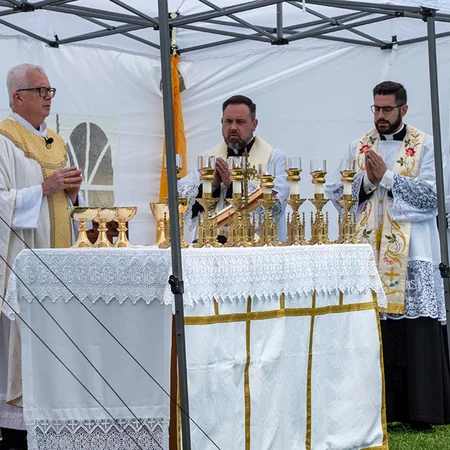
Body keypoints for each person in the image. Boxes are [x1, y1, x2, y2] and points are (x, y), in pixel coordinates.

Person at [326, 81, 450, 429]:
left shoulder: (425, 145)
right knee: (373, 329)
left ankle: (421, 411)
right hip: (369, 250)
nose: (380, 116)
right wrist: (367, 182)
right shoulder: (359, 145)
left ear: (403, 110)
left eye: (387, 109)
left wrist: (389, 178)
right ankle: (378, 408)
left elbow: (435, 197)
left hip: (414, 254)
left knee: (415, 329)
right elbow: (341, 193)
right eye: (376, 109)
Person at [0, 64, 83, 449]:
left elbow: (66, 205)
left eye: (51, 90)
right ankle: (18, 432)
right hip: (23, 262)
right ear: (18, 97)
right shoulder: (4, 140)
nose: (49, 96)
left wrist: (71, 194)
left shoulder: (57, 141)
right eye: (41, 90)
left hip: (59, 260)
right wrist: (44, 188)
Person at [179, 95, 289, 243]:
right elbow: (183, 203)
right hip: (210, 247)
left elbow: (275, 207)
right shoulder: (207, 157)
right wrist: (212, 185)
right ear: (221, 122)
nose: (233, 127)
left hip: (257, 247)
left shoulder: (273, 158)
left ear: (254, 124)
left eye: (240, 122)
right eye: (228, 121)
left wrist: (235, 185)